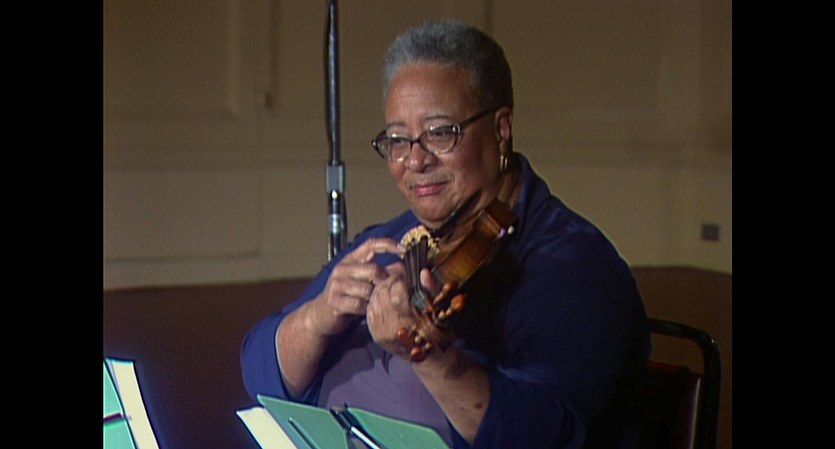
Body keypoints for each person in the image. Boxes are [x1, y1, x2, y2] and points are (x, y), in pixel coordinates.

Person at [241, 19, 652, 449]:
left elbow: (545, 434)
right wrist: (317, 317)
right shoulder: (392, 241)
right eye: (398, 140)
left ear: (501, 130)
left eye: (440, 133)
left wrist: (430, 357)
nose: (415, 161)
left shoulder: (574, 265)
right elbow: (259, 372)